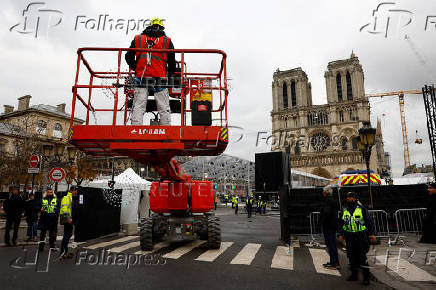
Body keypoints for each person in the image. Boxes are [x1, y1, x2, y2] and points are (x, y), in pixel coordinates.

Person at [125, 17, 176, 125]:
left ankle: (135, 131)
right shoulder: (167, 41)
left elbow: (128, 57)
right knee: (163, 107)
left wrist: (136, 68)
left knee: (139, 105)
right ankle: (166, 132)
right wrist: (171, 74)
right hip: (160, 78)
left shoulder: (138, 39)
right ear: (162, 28)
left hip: (142, 77)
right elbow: (172, 62)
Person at [338, 191, 376, 286]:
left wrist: (371, 234)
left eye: (350, 197)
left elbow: (369, 222)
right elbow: (341, 223)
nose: (348, 199)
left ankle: (366, 278)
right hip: (349, 237)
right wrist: (340, 234)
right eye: (347, 197)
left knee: (362, 257)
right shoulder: (344, 210)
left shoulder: (361, 209)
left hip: (361, 236)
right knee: (351, 257)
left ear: (354, 199)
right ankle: (354, 275)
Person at [319, 185, 340, 270]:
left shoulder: (328, 201)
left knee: (331, 244)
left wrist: (321, 222)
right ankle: (334, 261)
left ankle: (334, 263)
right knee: (333, 244)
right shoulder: (333, 200)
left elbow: (326, 213)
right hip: (332, 225)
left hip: (328, 225)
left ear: (325, 193)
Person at [60, 186, 78, 258]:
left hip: (70, 219)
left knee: (68, 235)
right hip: (67, 219)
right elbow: (64, 209)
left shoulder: (72, 197)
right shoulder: (66, 197)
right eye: (75, 190)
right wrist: (68, 218)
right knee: (66, 236)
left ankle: (65, 251)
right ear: (71, 191)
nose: (76, 192)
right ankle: (63, 252)